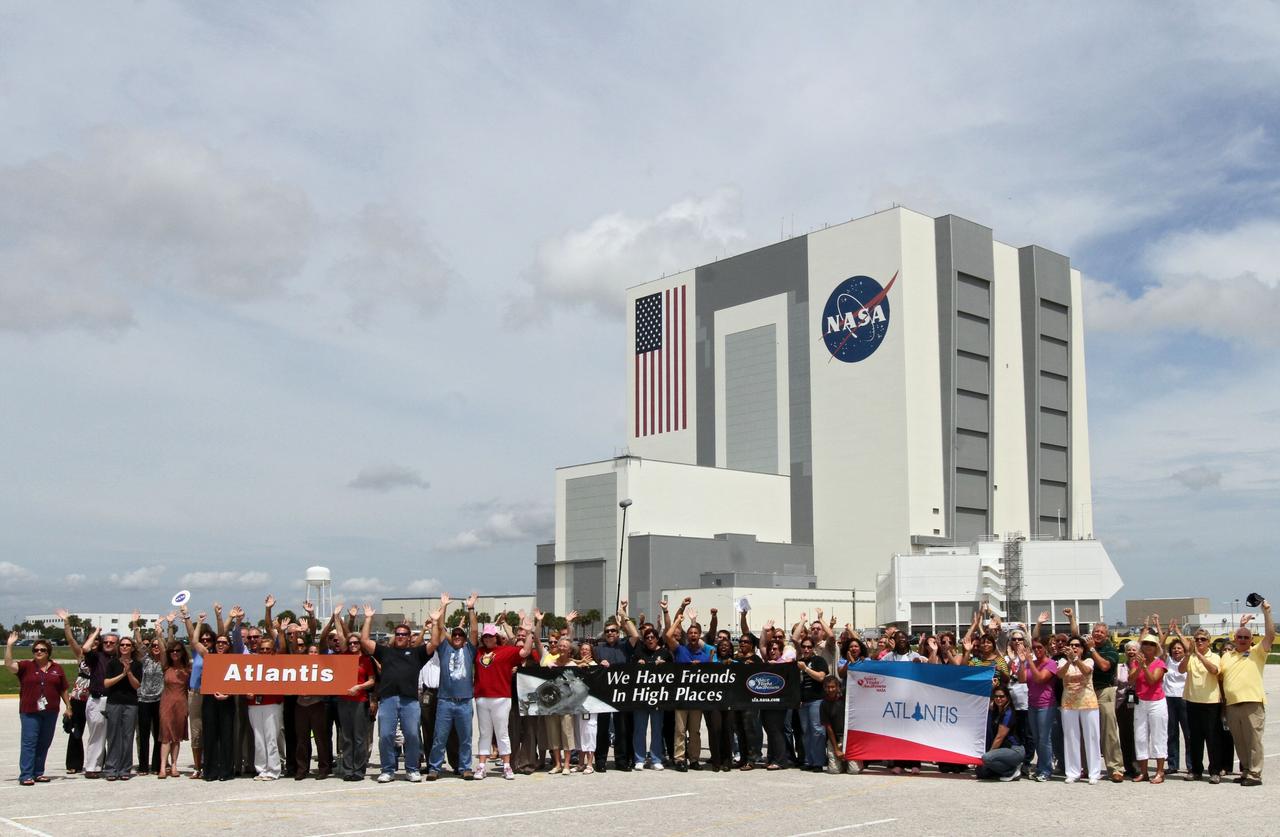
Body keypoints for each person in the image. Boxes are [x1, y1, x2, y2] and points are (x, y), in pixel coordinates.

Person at [359, 602, 435, 784]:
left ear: (409, 637)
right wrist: (368, 618)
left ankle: (412, 769)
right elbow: (364, 641)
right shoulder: (385, 652)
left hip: (410, 701)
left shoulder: (417, 653)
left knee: (412, 735)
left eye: (404, 634)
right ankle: (387, 769)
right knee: (386, 735)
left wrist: (436, 622)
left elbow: (435, 643)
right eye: (398, 634)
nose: (400, 636)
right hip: (388, 700)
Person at [473, 615, 536, 780]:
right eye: (485, 636)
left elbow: (526, 651)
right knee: (484, 732)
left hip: (501, 697)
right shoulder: (478, 652)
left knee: (502, 732)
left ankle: (507, 765)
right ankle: (481, 765)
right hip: (482, 697)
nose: (488, 639)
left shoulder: (507, 651)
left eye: (491, 636)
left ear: (497, 638)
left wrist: (529, 633)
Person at [1219, 599, 1274, 786]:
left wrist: (1266, 612)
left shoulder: (1257, 653)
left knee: (1254, 741)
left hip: (1252, 703)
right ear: (1234, 639)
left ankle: (1255, 774)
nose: (1242, 640)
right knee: (1240, 741)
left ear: (1251, 640)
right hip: (1232, 705)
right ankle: (1246, 770)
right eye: (1239, 637)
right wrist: (1241, 626)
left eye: (1246, 638)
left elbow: (1270, 636)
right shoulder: (1227, 656)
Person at [6, 634, 71, 786]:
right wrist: (9, 646)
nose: (39, 652)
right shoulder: (26, 666)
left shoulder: (57, 668)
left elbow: (63, 689)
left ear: (48, 652)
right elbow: (9, 665)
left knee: (44, 742)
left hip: (50, 711)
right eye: (36, 650)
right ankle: (26, 774)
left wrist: (68, 706)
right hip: (30, 711)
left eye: (42, 650)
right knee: (29, 742)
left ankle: (38, 773)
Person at [426, 593, 479, 781]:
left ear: (464, 639)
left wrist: (471, 608)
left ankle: (465, 767)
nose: (457, 636)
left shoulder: (469, 649)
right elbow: (440, 628)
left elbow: (473, 631)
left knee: (465, 738)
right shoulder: (444, 649)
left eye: (460, 635)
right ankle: (435, 768)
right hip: (445, 701)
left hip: (464, 702)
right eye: (454, 634)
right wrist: (443, 607)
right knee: (439, 737)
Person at [1067, 607, 1122, 782]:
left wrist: (1092, 651)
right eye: (1095, 631)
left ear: (1106, 635)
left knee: (1109, 731)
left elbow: (1105, 666)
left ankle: (1115, 768)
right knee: (1085, 731)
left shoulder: (1110, 650)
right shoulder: (1085, 646)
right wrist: (1072, 618)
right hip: (1084, 693)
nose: (1098, 634)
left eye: (1101, 632)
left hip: (1103, 691)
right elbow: (1075, 637)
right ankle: (1086, 767)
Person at [184, 606, 235, 782]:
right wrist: (197, 622)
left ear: (229, 645)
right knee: (210, 735)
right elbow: (195, 641)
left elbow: (238, 683)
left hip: (227, 700)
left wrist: (227, 695)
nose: (221, 644)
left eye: (224, 642)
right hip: (209, 700)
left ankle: (226, 771)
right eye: (218, 642)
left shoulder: (233, 660)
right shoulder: (208, 655)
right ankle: (210, 771)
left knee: (227, 736)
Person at [664, 597, 712, 770]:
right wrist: (679, 619)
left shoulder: (705, 657)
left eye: (695, 633)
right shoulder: (680, 650)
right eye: (690, 633)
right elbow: (668, 635)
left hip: (697, 697)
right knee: (680, 730)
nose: (693, 635)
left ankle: (694, 759)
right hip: (681, 696)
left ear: (699, 636)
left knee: (695, 731)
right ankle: (679, 758)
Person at [332, 609, 376, 781]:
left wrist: (359, 687)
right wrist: (336, 617)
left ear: (360, 644)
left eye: (356, 643)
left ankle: (359, 769)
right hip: (344, 701)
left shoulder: (366, 660)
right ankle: (348, 769)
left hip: (359, 701)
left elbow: (372, 680)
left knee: (359, 737)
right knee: (346, 737)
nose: (352, 646)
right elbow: (342, 637)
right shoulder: (344, 657)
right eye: (350, 644)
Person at [1177, 625, 1222, 783]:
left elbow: (1214, 670)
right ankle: (1196, 770)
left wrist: (1200, 656)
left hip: (1210, 702)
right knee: (1194, 738)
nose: (1199, 641)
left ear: (1209, 642)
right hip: (1192, 701)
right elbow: (1181, 670)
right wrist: (1189, 654)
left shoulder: (1214, 656)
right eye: (1196, 639)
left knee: (1212, 738)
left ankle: (1215, 771)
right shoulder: (1191, 657)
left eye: (1203, 639)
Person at [594, 607, 635, 772]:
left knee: (622, 729)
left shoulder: (625, 646)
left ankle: (621, 761)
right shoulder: (598, 648)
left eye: (613, 631)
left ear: (618, 633)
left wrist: (624, 616)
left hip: (622, 694)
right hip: (603, 695)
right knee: (602, 729)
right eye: (607, 631)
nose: (610, 633)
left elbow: (635, 635)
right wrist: (599, 664)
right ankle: (600, 760)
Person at [1057, 635, 1101, 784]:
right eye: (1072, 645)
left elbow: (1086, 671)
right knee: (1071, 737)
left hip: (1088, 702)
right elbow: (1060, 675)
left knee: (1092, 737)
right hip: (1069, 703)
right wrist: (1069, 661)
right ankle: (1073, 772)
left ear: (1082, 649)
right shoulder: (1063, 661)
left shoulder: (1088, 660)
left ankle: (1094, 772)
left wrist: (1075, 660)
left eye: (1077, 646)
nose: (1074, 648)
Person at [626, 622, 671, 769]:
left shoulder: (665, 653)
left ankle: (656, 759)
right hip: (641, 696)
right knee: (640, 728)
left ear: (657, 639)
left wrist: (664, 665)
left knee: (657, 729)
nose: (650, 640)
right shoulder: (639, 652)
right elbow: (630, 672)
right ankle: (639, 758)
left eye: (652, 637)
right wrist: (637, 663)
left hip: (658, 696)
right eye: (647, 638)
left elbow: (674, 673)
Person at [80, 625, 119, 779]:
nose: (108, 644)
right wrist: (96, 633)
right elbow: (85, 648)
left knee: (115, 736)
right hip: (98, 699)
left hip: (115, 701)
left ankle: (112, 765)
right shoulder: (96, 657)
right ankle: (92, 767)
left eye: (112, 642)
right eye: (106, 642)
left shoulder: (119, 659)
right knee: (97, 735)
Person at [103, 633, 143, 781]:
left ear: (132, 648)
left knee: (128, 736)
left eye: (128, 645)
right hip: (114, 702)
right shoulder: (112, 663)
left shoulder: (138, 664)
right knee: (113, 736)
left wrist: (129, 672)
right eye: (122, 645)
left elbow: (137, 685)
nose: (125, 647)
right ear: (118, 647)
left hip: (131, 703)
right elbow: (106, 683)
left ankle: (125, 768)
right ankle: (111, 768)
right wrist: (122, 674)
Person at [133, 611, 167, 776]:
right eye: (152, 646)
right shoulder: (145, 659)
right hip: (144, 700)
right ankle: (143, 765)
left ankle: (156, 765)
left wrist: (159, 631)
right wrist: (135, 625)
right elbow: (139, 643)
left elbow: (164, 645)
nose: (155, 648)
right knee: (144, 734)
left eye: (157, 646)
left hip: (159, 700)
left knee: (158, 735)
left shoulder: (164, 662)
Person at [1130, 635, 1168, 783]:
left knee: (1159, 736)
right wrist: (1139, 665)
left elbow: (1153, 680)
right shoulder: (1136, 662)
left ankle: (1160, 772)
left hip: (1156, 702)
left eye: (1151, 644)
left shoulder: (1160, 663)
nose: (1147, 646)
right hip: (1141, 702)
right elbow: (1130, 679)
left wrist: (1144, 667)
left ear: (1156, 647)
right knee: (1140, 737)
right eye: (1145, 644)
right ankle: (1144, 772)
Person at [1020, 637, 1058, 782]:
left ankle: (1046, 769)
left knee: (1044, 739)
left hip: (1046, 705)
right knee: (1036, 738)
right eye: (1035, 648)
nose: (1037, 650)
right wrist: (1023, 662)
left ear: (1046, 648)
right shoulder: (1032, 663)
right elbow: (1022, 679)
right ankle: (1041, 767)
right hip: (1032, 704)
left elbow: (1040, 678)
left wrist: (1029, 661)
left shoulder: (1051, 664)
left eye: (1040, 647)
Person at [796, 636, 831, 773]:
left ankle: (818, 762)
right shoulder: (799, 662)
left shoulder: (818, 660)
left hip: (816, 700)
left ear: (813, 648)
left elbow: (821, 677)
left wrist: (805, 669)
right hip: (803, 702)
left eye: (809, 647)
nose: (806, 649)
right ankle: (809, 760)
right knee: (806, 732)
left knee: (817, 731)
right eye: (804, 646)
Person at [976, 686, 1024, 781]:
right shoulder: (995, 710)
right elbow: (986, 701)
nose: (999, 699)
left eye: (1002, 696)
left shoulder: (1008, 713)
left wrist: (988, 755)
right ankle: (1002, 769)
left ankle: (1012, 771)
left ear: (1007, 697)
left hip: (1014, 750)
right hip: (1002, 750)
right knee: (980, 772)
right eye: (996, 696)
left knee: (987, 758)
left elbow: (999, 737)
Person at [158, 639, 190, 779]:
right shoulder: (166, 667)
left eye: (178, 650)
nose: (175, 653)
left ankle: (175, 765)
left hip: (181, 703)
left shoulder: (187, 668)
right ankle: (163, 767)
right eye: (172, 651)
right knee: (165, 735)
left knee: (176, 737)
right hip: (166, 702)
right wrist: (160, 633)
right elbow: (162, 649)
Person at [1159, 626, 1189, 776]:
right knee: (1171, 733)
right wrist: (1168, 633)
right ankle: (1172, 764)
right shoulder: (1168, 660)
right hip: (1169, 698)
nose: (1177, 650)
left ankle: (1191, 764)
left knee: (1188, 733)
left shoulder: (1189, 660)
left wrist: (1179, 633)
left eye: (1179, 648)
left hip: (1184, 698)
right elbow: (1160, 646)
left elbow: (1191, 648)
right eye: (1174, 648)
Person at [569, 638, 600, 774]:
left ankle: (589, 763)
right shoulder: (575, 665)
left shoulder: (595, 665)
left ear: (591, 652)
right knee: (579, 733)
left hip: (590, 705)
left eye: (587, 650)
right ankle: (581, 763)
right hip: (577, 704)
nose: (584, 651)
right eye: (582, 650)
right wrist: (579, 663)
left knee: (590, 732)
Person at [820, 674, 856, 774]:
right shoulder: (823, 704)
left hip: (849, 738)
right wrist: (836, 749)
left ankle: (848, 762)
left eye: (833, 687)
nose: (830, 690)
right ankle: (841, 762)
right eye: (828, 687)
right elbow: (828, 727)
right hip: (834, 738)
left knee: (854, 771)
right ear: (824, 688)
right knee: (834, 771)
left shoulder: (846, 697)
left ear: (838, 687)